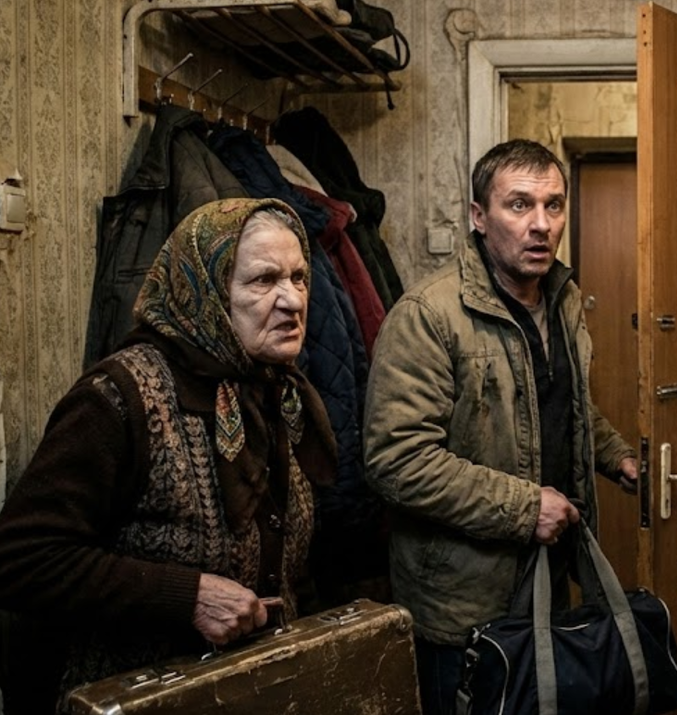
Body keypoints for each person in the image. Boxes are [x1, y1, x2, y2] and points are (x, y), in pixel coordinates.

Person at [0, 198, 336, 714]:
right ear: (204, 288)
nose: (292, 300)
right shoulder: (120, 397)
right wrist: (187, 596)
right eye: (264, 280)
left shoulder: (279, 392)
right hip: (136, 699)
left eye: (298, 277)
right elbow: (21, 557)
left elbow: (292, 566)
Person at [362, 138, 639, 715]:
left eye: (553, 205)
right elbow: (397, 461)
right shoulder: (428, 315)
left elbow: (563, 403)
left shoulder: (563, 299)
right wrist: (524, 507)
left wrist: (616, 455)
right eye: (519, 205)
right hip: (462, 608)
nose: (541, 224)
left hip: (548, 582)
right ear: (479, 217)